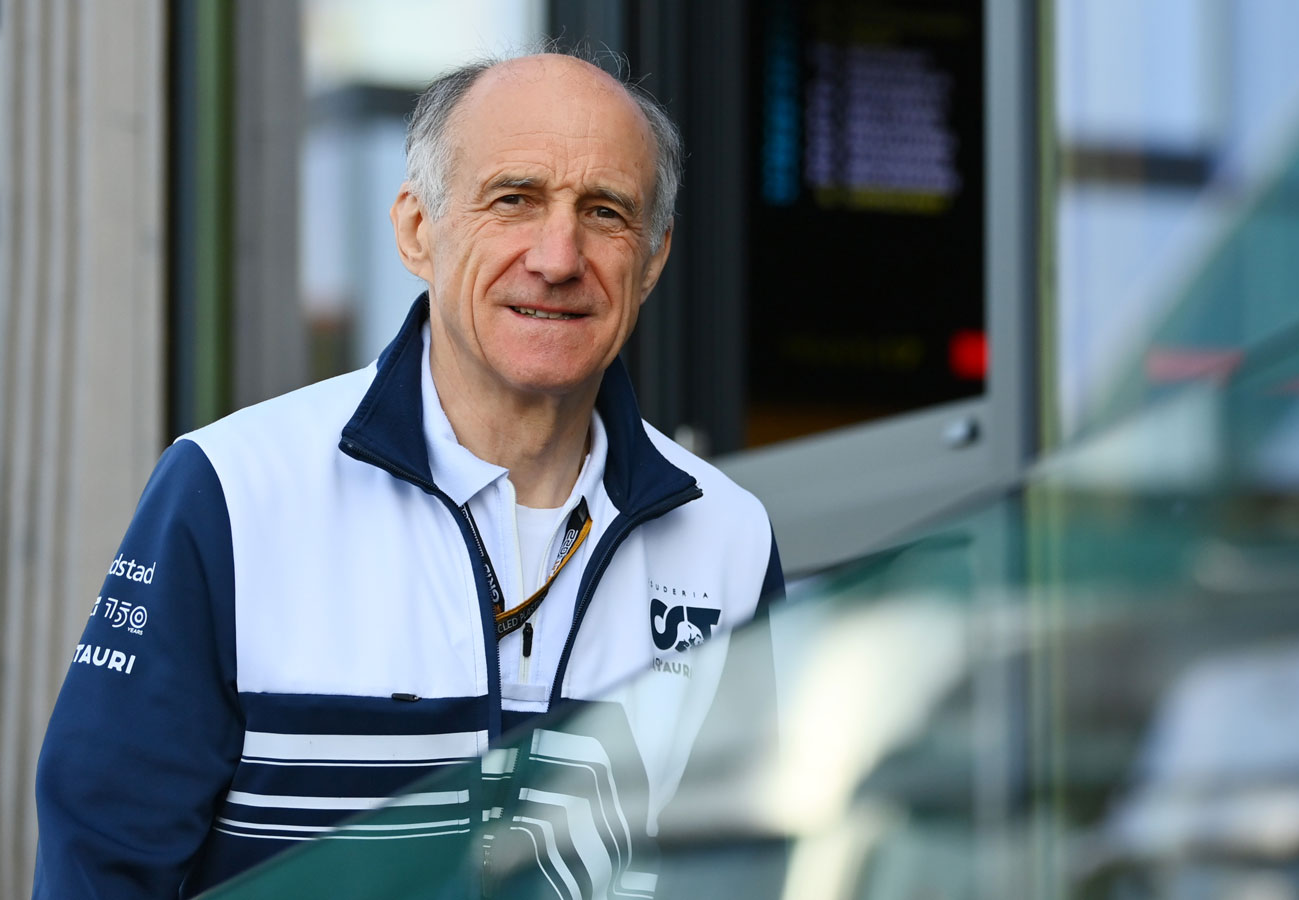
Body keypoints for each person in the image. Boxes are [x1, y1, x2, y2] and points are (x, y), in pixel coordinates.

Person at [34, 51, 783, 898]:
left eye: (605, 212)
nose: (558, 255)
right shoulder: (233, 493)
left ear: (651, 260)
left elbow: (749, 866)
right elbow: (102, 857)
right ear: (417, 229)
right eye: (514, 199)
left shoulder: (729, 536)